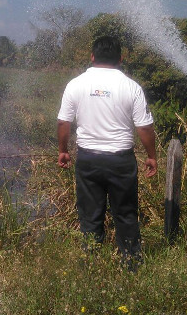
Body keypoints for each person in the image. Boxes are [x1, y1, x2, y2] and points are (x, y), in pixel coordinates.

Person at [57, 36, 157, 270]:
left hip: (88, 159)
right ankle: (131, 265)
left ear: (92, 56)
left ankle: (90, 266)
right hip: (121, 160)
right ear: (121, 59)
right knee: (126, 214)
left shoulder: (76, 84)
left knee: (90, 216)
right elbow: (144, 128)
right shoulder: (131, 87)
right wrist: (152, 156)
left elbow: (64, 123)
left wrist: (63, 151)